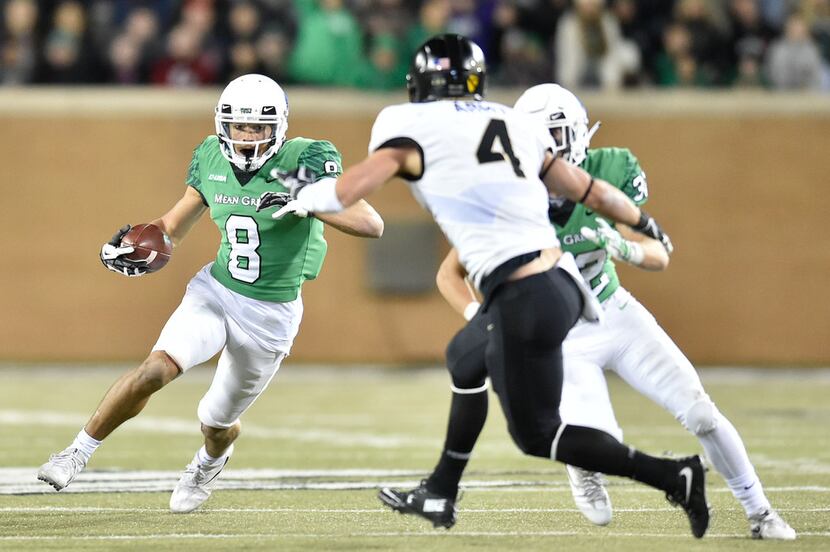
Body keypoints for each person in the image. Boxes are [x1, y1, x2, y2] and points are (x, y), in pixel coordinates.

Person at [264, 34, 710, 538]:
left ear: (420, 84)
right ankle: (441, 491)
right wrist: (645, 223)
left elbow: (352, 188)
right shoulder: (513, 123)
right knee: (465, 355)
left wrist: (308, 191)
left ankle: (674, 476)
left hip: (525, 294)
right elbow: (588, 190)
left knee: (538, 435)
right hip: (556, 283)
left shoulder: (408, 125)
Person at [380, 82, 796, 540]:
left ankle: (760, 511)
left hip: (616, 313)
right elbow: (449, 273)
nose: (552, 146)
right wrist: (481, 319)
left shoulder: (608, 171)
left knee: (701, 413)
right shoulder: (510, 189)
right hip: (561, 338)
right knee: (598, 440)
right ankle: (581, 465)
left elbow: (658, 253)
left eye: (557, 134)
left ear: (578, 132)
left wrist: (623, 246)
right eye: (542, 136)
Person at [37, 74, 384, 513]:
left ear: (279, 127)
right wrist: (135, 245)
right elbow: (173, 227)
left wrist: (314, 198)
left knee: (217, 423)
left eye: (258, 127)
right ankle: (76, 452)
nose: (248, 136)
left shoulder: (306, 159)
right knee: (155, 370)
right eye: (240, 126)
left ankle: (208, 462)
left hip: (270, 315)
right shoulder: (209, 157)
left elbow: (372, 224)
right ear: (224, 125)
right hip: (216, 291)